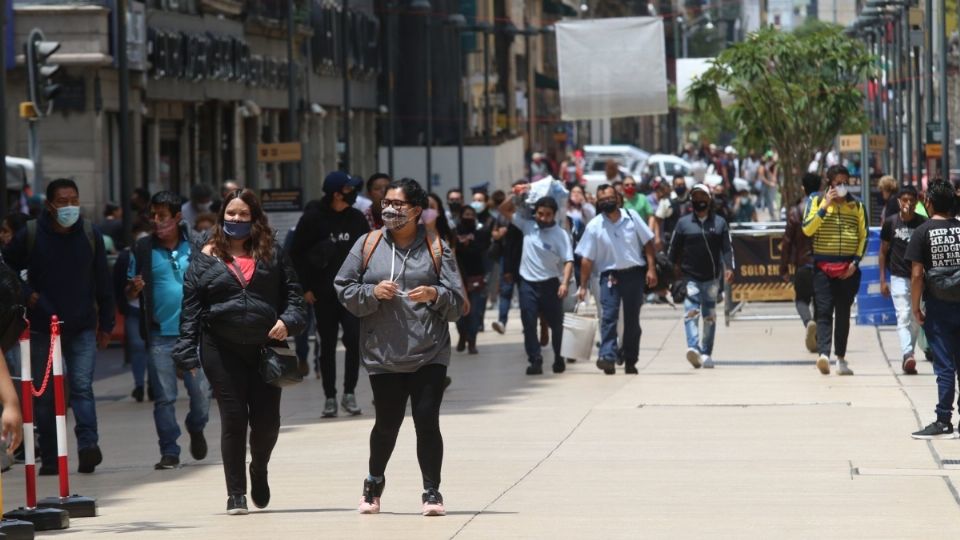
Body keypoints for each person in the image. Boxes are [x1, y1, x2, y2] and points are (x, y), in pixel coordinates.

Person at [335, 177, 464, 517]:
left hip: (430, 352)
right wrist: (371, 293)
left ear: (417, 211)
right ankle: (373, 482)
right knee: (387, 423)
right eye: (386, 203)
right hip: (383, 353)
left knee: (426, 420)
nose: (389, 209)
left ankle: (432, 491)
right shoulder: (368, 243)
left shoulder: (437, 247)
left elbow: (458, 302)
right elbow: (343, 287)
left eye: (399, 204)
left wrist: (436, 295)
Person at [173, 189, 306, 515]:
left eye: (243, 214)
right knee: (233, 419)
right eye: (231, 214)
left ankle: (258, 467)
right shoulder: (204, 256)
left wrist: (287, 322)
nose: (236, 219)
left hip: (268, 347)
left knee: (267, 423)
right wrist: (186, 352)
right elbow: (191, 309)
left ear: (254, 218)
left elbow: (296, 300)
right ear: (222, 217)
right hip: (221, 347)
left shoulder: (272, 252)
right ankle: (236, 494)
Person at [2, 178, 115, 474]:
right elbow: (6, 265)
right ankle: (51, 458)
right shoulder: (30, 234)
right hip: (41, 327)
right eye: (63, 201)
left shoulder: (90, 234)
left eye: (74, 200)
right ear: (50, 205)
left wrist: (106, 324)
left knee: (81, 388)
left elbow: (103, 281)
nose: (69, 207)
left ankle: (88, 446)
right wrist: (27, 294)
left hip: (81, 326)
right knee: (45, 394)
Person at [125, 191, 211, 470]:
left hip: (194, 333)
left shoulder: (197, 245)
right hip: (160, 335)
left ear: (177, 217)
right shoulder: (142, 249)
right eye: (153, 215)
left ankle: (196, 426)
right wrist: (133, 288)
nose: (157, 221)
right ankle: (169, 451)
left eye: (163, 216)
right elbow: (127, 292)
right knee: (164, 398)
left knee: (201, 393)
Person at [290, 172, 370, 418]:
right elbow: (296, 254)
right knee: (326, 344)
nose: (353, 193)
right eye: (348, 189)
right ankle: (330, 397)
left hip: (352, 293)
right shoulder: (313, 218)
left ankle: (349, 393)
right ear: (337, 193)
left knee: (353, 339)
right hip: (323, 293)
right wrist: (305, 288)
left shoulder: (356, 218)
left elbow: (369, 251)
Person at [576, 184, 658, 375]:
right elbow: (587, 259)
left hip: (634, 274)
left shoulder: (631, 217)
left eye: (610, 197)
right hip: (609, 277)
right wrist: (583, 286)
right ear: (597, 202)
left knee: (631, 321)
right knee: (608, 317)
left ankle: (630, 359)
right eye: (602, 199)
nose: (607, 201)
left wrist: (651, 269)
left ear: (617, 198)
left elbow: (648, 243)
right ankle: (607, 356)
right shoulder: (594, 226)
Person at [906, 180, 960, 438]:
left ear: (928, 202)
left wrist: (916, 308)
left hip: (938, 307)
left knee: (944, 366)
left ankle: (943, 420)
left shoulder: (922, 232)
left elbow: (917, 276)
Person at [802, 165, 867, 376]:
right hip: (822, 267)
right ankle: (823, 354)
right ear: (829, 184)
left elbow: (863, 236)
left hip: (848, 268)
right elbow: (808, 229)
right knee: (823, 311)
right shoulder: (815, 201)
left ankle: (840, 357)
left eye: (845, 182)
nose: (842, 186)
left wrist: (855, 263)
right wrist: (824, 206)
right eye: (838, 182)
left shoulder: (857, 206)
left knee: (843, 313)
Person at [500, 193, 574, 375]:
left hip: (550, 284)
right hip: (527, 285)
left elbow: (569, 261)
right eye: (540, 213)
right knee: (529, 324)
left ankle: (558, 357)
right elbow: (503, 209)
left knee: (556, 325)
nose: (543, 218)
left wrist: (564, 283)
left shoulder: (561, 234)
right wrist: (515, 193)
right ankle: (535, 359)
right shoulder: (528, 226)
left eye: (548, 214)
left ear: (554, 215)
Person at [668, 185, 734, 369]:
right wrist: (668, 275)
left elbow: (727, 249)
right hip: (690, 278)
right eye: (696, 196)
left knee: (709, 316)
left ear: (710, 199)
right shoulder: (683, 224)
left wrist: (729, 267)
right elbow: (673, 251)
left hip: (712, 279)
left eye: (703, 196)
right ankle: (693, 348)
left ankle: (706, 352)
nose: (700, 199)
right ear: (691, 200)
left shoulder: (720, 223)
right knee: (691, 313)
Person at [879, 186, 926, 375]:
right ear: (899, 202)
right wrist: (883, 279)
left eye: (911, 200)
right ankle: (908, 353)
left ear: (917, 202)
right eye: (904, 200)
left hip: (919, 278)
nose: (908, 204)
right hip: (898, 276)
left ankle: (909, 353)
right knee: (903, 315)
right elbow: (883, 252)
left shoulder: (923, 224)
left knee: (916, 318)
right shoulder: (891, 223)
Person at [780, 172, 821, 354]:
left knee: (801, 300)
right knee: (821, 301)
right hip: (823, 264)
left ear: (803, 188)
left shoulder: (795, 211)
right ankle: (818, 336)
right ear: (820, 188)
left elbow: (787, 242)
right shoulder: (825, 209)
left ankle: (808, 322)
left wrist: (784, 268)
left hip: (802, 264)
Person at [113, 221, 153, 402]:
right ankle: (139, 384)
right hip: (134, 309)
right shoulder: (125, 258)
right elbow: (118, 284)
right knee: (138, 348)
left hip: (153, 310)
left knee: (154, 349)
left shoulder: (159, 255)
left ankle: (153, 384)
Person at [453, 205, 490, 354]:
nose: (468, 217)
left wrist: (468, 245)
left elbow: (480, 249)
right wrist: (462, 245)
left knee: (474, 311)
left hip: (476, 276)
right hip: (458, 277)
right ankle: (462, 334)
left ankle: (472, 341)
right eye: (466, 214)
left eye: (471, 214)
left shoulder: (481, 232)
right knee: (459, 311)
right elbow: (453, 250)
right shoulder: (454, 233)